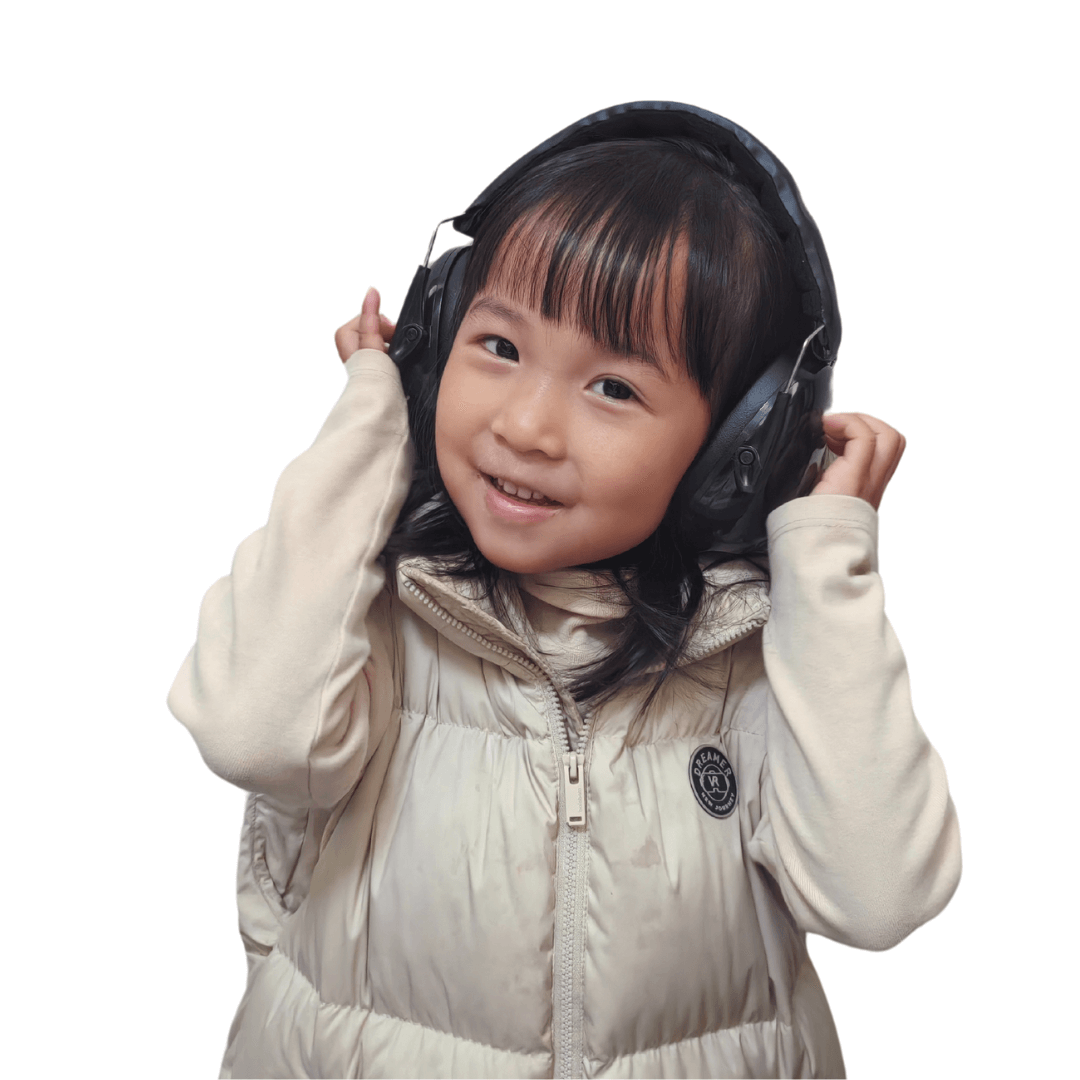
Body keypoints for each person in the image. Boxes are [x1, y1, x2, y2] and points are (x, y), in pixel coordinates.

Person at [169, 103, 961, 1079]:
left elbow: (876, 896)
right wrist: (374, 418)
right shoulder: (360, 612)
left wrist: (828, 569)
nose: (528, 426)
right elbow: (252, 729)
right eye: (497, 347)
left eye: (614, 388)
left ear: (734, 451)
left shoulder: (757, 656)